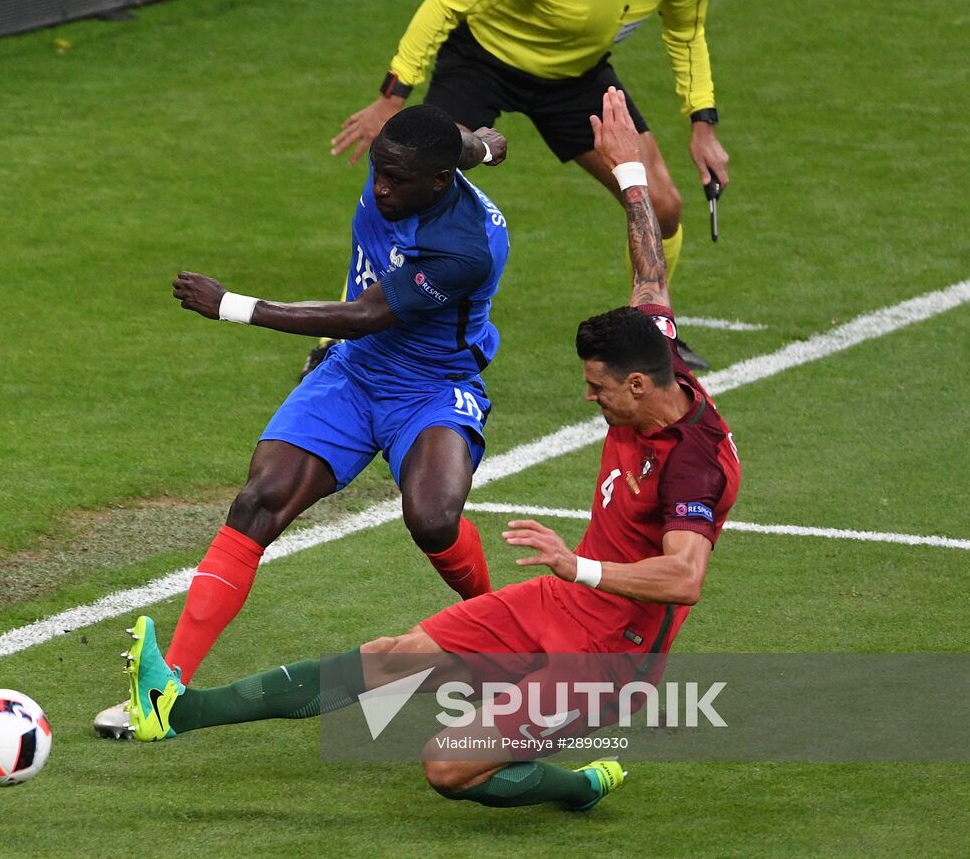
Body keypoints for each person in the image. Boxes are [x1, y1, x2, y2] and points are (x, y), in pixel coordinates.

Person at [122, 87, 742, 814]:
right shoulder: (654, 350)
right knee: (395, 655)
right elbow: (649, 271)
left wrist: (581, 564)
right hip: (560, 601)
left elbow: (685, 577)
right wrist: (631, 174)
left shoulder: (692, 457)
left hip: (612, 651)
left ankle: (575, 784)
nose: (589, 400)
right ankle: (177, 707)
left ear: (640, 385)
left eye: (599, 390)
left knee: (447, 764)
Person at [93, 105, 510, 737]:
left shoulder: (465, 250)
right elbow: (477, 143)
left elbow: (365, 314)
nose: (381, 189)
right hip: (354, 373)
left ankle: (505, 635)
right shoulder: (432, 155)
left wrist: (234, 306)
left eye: (398, 180)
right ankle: (162, 695)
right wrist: (485, 143)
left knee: (432, 517)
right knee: (259, 501)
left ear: (438, 181)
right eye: (377, 172)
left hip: (430, 387)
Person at [321, 0, 728, 373]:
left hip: (576, 77)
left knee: (662, 206)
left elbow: (686, 35)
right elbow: (446, 0)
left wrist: (702, 121)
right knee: (410, 185)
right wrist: (393, 94)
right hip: (483, 61)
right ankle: (336, 339)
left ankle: (654, 335)